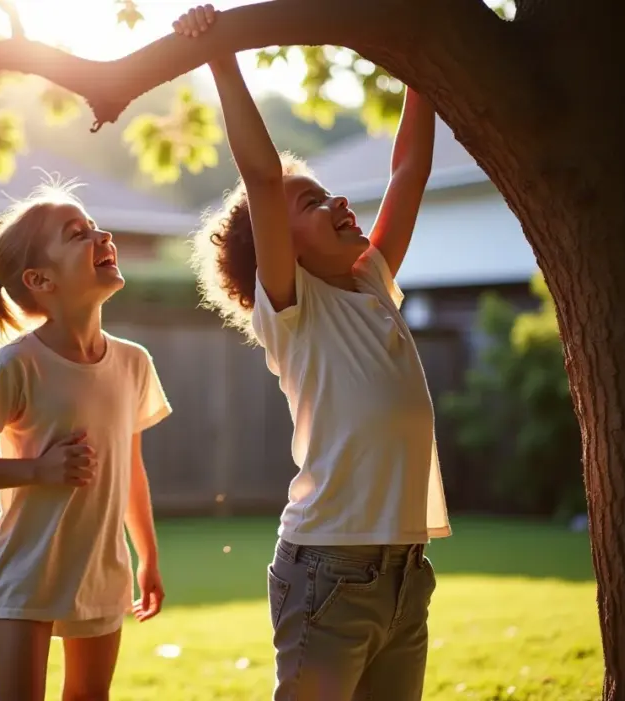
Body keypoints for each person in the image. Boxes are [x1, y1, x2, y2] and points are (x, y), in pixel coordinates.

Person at [176, 5, 452, 700]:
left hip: (404, 571)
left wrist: (424, 69)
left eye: (328, 192)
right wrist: (220, 53)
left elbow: (410, 171)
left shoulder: (371, 281)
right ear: (280, 249)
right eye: (311, 204)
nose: (333, 202)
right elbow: (263, 176)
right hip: (329, 568)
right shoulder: (292, 310)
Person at [0, 181, 172, 701]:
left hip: (103, 570)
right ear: (40, 279)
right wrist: (38, 471)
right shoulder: (18, 364)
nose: (101, 235)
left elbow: (131, 470)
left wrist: (148, 558)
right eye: (78, 233)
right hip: (28, 572)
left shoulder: (134, 363)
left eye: (94, 226)